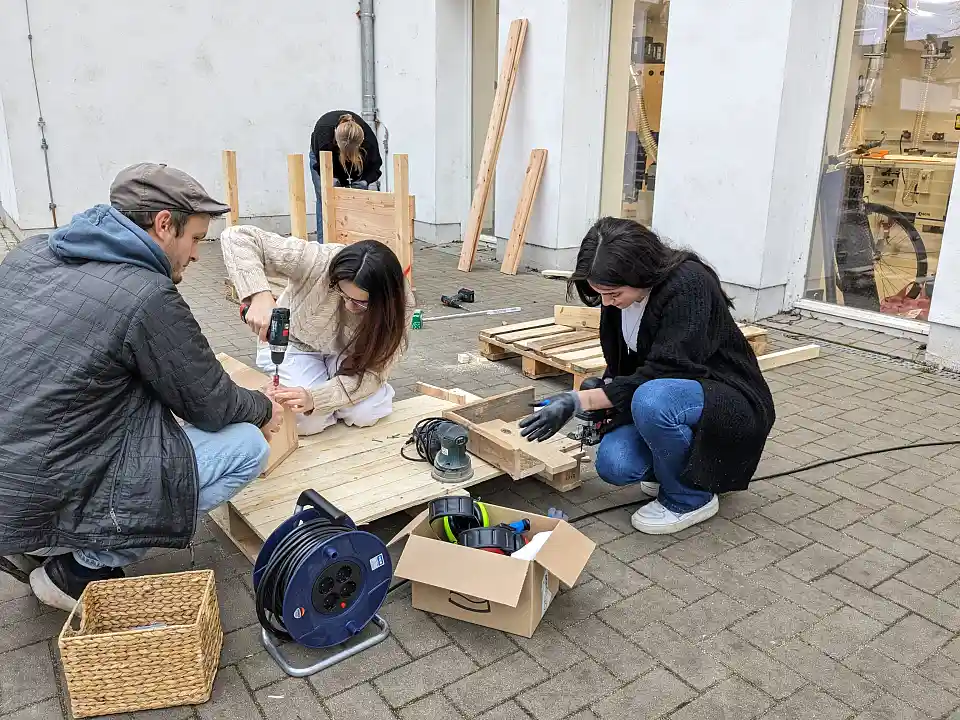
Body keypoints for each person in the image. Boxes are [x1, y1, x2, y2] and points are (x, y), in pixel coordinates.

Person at [0, 163, 285, 610]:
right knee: (246, 446)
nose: (197, 255)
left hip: (13, 490)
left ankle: (41, 541)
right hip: (45, 489)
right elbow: (211, 404)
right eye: (196, 239)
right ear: (164, 224)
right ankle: (79, 571)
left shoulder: (30, 253)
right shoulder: (147, 294)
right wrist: (264, 408)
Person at [519, 217, 775, 535]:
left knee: (652, 401)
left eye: (613, 293)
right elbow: (626, 367)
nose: (607, 303)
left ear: (640, 273)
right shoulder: (617, 295)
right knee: (616, 463)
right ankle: (673, 470)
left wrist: (580, 400)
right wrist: (605, 390)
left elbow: (665, 371)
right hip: (670, 394)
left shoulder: (689, 284)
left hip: (728, 399)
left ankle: (690, 497)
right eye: (601, 294)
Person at [220, 225, 412, 435]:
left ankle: (344, 394)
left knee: (366, 413)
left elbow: (374, 371)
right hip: (295, 343)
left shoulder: (400, 307)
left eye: (360, 303)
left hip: (348, 354)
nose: (349, 306)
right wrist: (259, 295)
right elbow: (237, 236)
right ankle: (331, 397)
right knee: (306, 421)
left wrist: (315, 398)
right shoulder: (317, 261)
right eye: (342, 293)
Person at [309, 111, 383, 242]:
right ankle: (325, 243)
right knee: (325, 198)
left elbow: (375, 166)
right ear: (336, 143)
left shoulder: (368, 141)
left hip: (353, 159)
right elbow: (320, 166)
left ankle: (355, 241)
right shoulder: (324, 137)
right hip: (322, 159)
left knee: (357, 199)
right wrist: (332, 179)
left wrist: (365, 181)